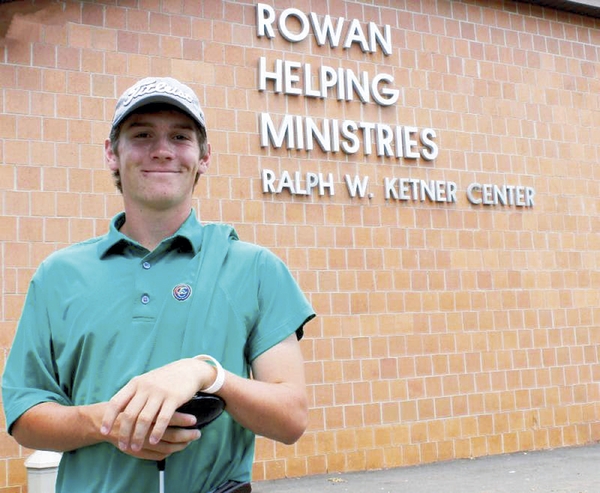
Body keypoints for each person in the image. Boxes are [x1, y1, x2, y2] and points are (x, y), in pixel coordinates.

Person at [2, 77, 315, 493]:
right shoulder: (58, 274)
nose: (162, 150)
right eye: (142, 135)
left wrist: (208, 375)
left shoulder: (255, 268)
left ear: (204, 157)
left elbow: (291, 418)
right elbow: (25, 416)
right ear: (112, 154)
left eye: (180, 136)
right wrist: (109, 422)